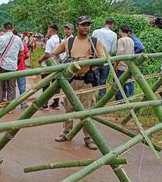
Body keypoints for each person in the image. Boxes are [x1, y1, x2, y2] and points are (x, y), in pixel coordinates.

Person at [50, 16, 106, 150]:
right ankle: (66, 133)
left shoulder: (95, 42)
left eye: (88, 24)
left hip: (87, 81)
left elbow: (103, 60)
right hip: (71, 80)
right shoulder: (69, 41)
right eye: (83, 24)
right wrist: (60, 68)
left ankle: (89, 138)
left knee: (86, 110)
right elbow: (53, 54)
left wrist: (89, 64)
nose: (86, 27)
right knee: (68, 108)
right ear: (77, 26)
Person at [0, 22, 24, 105]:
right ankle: (9, 106)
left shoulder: (0, 39)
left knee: (0, 86)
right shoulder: (18, 39)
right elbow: (22, 53)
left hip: (1, 66)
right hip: (13, 66)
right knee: (11, 87)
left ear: (4, 29)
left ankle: (0, 104)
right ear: (12, 28)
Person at [92, 18, 117, 100]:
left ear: (104, 23)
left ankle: (91, 98)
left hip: (95, 60)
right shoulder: (113, 34)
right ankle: (101, 99)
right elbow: (113, 50)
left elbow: (91, 44)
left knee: (92, 80)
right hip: (106, 61)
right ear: (112, 24)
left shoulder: (96, 32)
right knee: (103, 80)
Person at [38, 24, 61, 110]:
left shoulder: (50, 41)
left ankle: (44, 104)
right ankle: (56, 103)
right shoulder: (60, 40)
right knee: (56, 85)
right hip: (57, 65)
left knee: (46, 85)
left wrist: (40, 59)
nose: (48, 32)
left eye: (48, 30)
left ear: (51, 31)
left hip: (47, 66)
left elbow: (47, 54)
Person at [114, 24, 135, 100]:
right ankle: (130, 97)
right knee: (129, 82)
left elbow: (120, 53)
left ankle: (120, 100)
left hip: (121, 65)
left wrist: (115, 65)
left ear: (120, 31)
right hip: (129, 65)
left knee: (120, 83)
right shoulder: (131, 40)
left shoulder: (121, 40)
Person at [15, 35, 30, 109]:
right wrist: (23, 59)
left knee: (11, 87)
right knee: (22, 87)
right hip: (21, 68)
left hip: (12, 69)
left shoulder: (12, 44)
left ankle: (12, 105)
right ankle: (23, 103)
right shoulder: (22, 44)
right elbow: (27, 55)